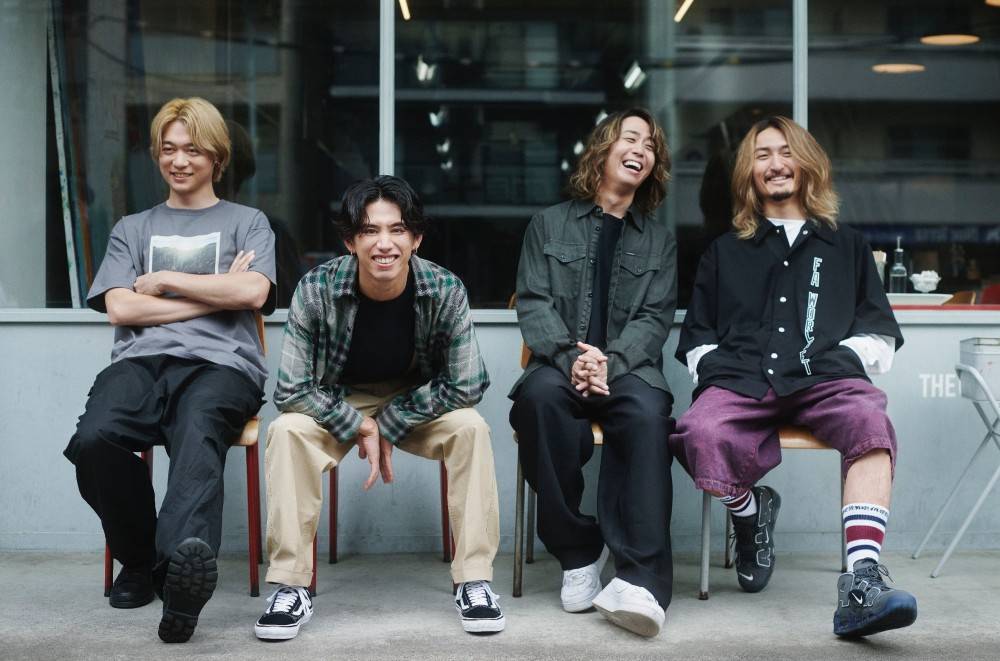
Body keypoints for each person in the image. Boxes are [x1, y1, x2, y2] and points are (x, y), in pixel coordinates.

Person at [670, 115, 918, 637]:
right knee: (698, 430)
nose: (776, 164)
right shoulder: (723, 250)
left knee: (870, 422)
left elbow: (878, 332)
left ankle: (863, 580)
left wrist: (835, 358)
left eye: (785, 152)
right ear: (748, 172)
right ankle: (750, 512)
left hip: (825, 379)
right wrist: (722, 370)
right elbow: (696, 338)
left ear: (807, 165)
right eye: (762, 155)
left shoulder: (847, 245)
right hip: (742, 380)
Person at [63, 97, 277, 643]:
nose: (179, 161)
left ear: (217, 158)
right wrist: (216, 293)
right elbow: (121, 308)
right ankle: (144, 561)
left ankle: (182, 585)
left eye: (193, 150)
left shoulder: (248, 223)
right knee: (94, 439)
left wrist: (163, 282)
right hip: (140, 362)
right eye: (168, 149)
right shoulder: (132, 229)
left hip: (222, 366)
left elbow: (254, 292)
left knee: (198, 427)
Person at [254, 175, 503, 640]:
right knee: (286, 431)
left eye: (397, 230)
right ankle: (291, 586)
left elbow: (468, 383)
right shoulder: (316, 288)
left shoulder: (444, 288)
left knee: (471, 427)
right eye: (369, 230)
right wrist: (360, 424)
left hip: (417, 400)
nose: (384, 243)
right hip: (338, 400)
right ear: (350, 241)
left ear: (416, 238)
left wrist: (389, 420)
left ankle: (474, 580)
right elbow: (291, 390)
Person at [508, 108, 677, 637]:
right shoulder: (548, 224)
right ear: (602, 149)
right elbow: (533, 302)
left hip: (628, 369)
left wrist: (610, 361)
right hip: (560, 364)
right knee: (538, 403)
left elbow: (654, 319)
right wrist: (572, 359)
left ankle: (641, 579)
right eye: (631, 138)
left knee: (648, 417)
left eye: (650, 145)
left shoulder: (660, 241)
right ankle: (579, 551)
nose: (641, 150)